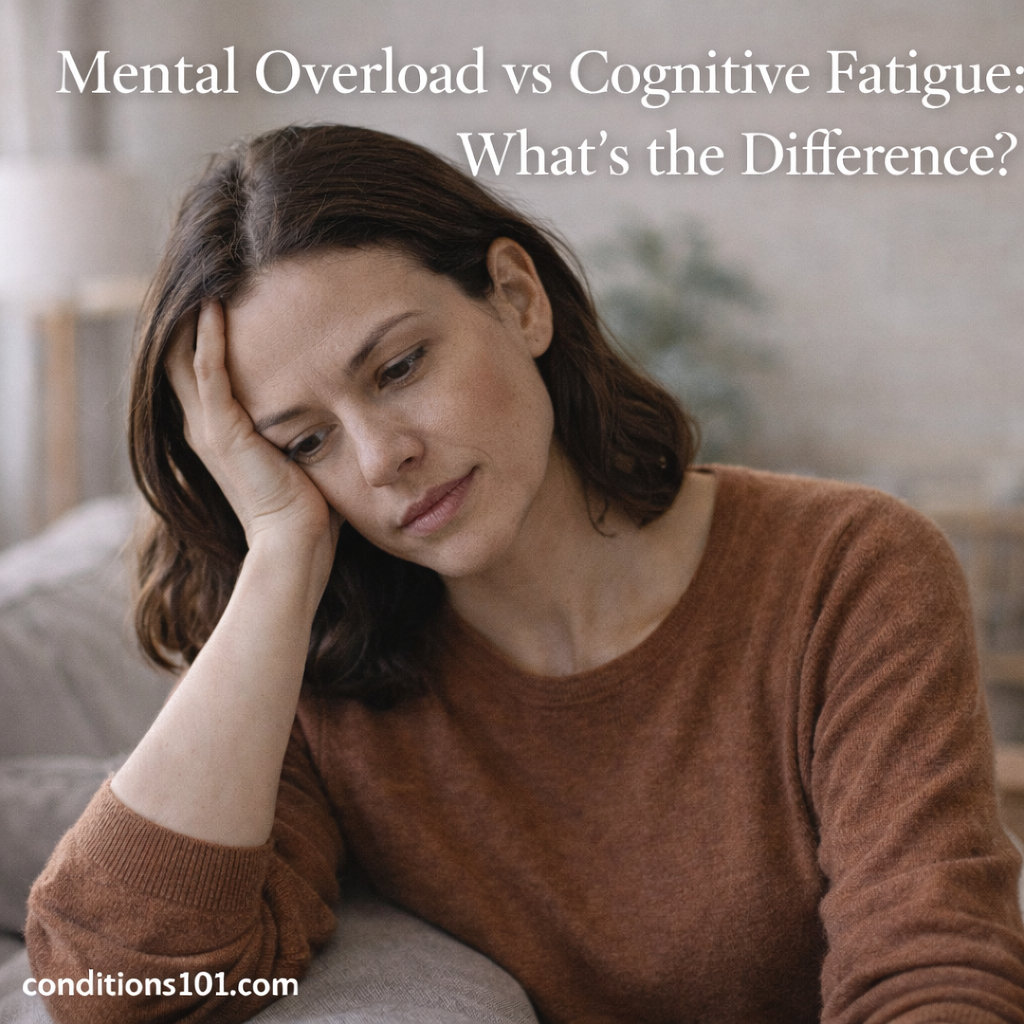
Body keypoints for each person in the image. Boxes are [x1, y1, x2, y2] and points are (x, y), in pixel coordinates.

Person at [24, 123, 1024, 1024]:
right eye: (306, 440)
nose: (380, 458)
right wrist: (284, 550)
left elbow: (934, 969)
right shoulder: (321, 674)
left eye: (400, 368)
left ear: (517, 297)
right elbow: (106, 984)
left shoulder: (845, 570)